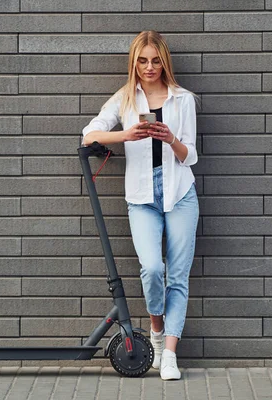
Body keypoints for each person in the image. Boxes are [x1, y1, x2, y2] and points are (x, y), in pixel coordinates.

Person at [82, 31, 199, 380]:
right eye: (143, 60)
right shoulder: (124, 99)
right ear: (134, 62)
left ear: (165, 62)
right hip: (142, 197)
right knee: (151, 268)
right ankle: (157, 331)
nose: (149, 67)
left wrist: (171, 138)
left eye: (156, 60)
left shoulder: (183, 100)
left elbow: (191, 155)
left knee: (177, 276)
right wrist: (125, 135)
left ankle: (170, 355)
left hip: (179, 193)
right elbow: (89, 134)